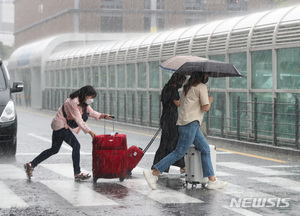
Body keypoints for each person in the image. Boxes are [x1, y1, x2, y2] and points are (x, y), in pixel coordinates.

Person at [143, 72, 228, 190]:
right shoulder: (201, 87)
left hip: (185, 123)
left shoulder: (187, 87)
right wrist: (210, 100)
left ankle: (212, 180)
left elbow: (183, 104)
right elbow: (205, 107)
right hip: (191, 124)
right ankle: (154, 173)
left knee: (205, 149)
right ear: (202, 76)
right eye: (207, 75)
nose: (207, 77)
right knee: (179, 152)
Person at [24, 85, 112, 181]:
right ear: (86, 95)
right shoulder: (73, 102)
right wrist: (90, 132)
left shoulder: (82, 102)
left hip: (60, 125)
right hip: (60, 125)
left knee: (54, 149)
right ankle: (77, 173)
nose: (91, 100)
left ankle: (31, 164)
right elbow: (79, 119)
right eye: (91, 97)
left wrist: (103, 116)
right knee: (76, 146)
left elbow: (91, 112)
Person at [152, 73, 186, 174]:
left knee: (165, 143)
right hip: (172, 119)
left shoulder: (165, 88)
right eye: (182, 81)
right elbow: (178, 104)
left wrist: (163, 120)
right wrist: (185, 97)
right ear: (178, 81)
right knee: (175, 142)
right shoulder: (173, 90)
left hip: (166, 117)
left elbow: (164, 104)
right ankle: (181, 165)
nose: (182, 84)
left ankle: (159, 165)